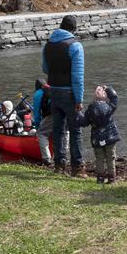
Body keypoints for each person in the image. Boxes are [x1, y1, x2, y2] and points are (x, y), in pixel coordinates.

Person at [42, 14, 86, 176]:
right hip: (69, 93)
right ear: (73, 29)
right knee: (75, 131)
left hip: (53, 90)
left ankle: (59, 166)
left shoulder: (47, 46)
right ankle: (77, 168)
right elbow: (77, 77)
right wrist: (79, 99)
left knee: (58, 129)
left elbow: (45, 69)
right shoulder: (75, 46)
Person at [76, 85, 120, 184]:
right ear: (105, 97)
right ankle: (112, 178)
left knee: (99, 158)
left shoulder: (91, 110)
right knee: (111, 157)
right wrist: (108, 89)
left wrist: (78, 112)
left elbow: (83, 122)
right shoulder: (109, 107)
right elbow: (115, 98)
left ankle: (100, 178)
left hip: (97, 139)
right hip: (110, 137)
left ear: (94, 97)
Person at [32, 77, 54, 166]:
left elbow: (37, 114)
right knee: (60, 134)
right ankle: (61, 158)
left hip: (51, 115)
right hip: (63, 113)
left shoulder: (38, 94)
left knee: (42, 134)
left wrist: (38, 128)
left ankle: (46, 159)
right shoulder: (53, 89)